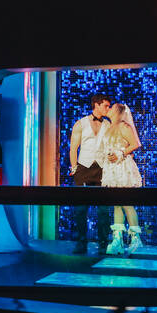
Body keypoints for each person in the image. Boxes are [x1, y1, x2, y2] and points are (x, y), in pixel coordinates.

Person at [68, 93, 112, 253]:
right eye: (106, 105)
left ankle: (103, 242)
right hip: (83, 168)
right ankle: (81, 240)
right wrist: (74, 167)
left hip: (102, 168)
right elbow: (73, 148)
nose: (108, 108)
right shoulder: (80, 124)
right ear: (97, 105)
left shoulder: (108, 125)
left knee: (103, 208)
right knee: (81, 208)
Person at [100, 103, 144, 255]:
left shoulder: (124, 126)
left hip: (123, 168)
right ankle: (117, 240)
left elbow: (135, 144)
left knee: (126, 203)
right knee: (116, 204)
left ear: (117, 111)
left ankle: (135, 240)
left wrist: (121, 153)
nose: (109, 109)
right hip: (112, 169)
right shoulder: (109, 127)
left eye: (111, 107)